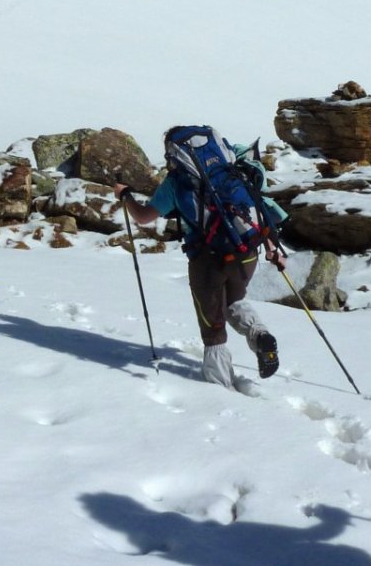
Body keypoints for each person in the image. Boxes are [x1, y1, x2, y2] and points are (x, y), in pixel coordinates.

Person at [113, 129, 283, 391]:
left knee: (213, 327)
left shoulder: (176, 183)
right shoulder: (230, 168)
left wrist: (126, 196)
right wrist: (272, 247)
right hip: (246, 252)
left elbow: (144, 217)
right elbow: (257, 204)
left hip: (207, 262)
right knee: (234, 301)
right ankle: (260, 335)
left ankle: (219, 391)